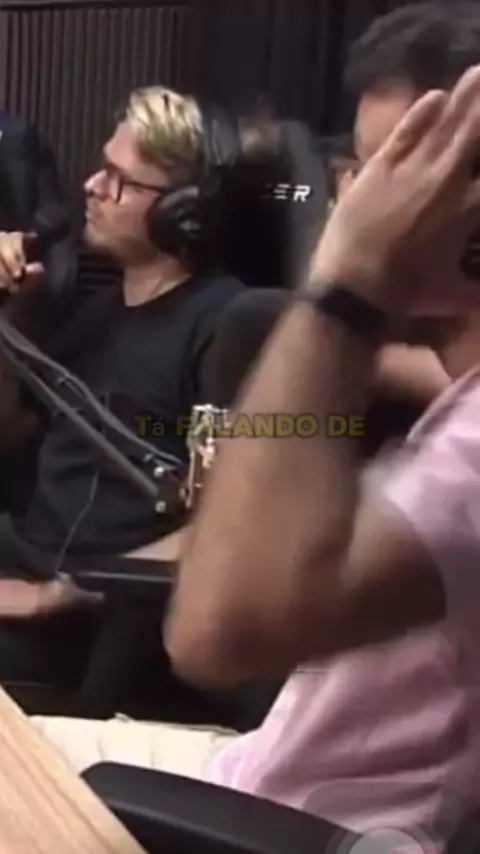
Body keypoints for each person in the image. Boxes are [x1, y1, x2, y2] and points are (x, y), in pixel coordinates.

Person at [29, 4, 480, 847]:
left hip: (293, 828)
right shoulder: (454, 388)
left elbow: (213, 635)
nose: (352, 199)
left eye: (391, 173)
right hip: (251, 772)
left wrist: (347, 290)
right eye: (354, 170)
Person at [0, 85, 248, 683]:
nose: (91, 186)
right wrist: (9, 314)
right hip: (26, 558)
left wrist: (62, 593)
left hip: (97, 613)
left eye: (120, 180)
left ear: (184, 212)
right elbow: (9, 433)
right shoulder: (94, 314)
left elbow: (231, 523)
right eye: (101, 168)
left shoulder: (226, 327)